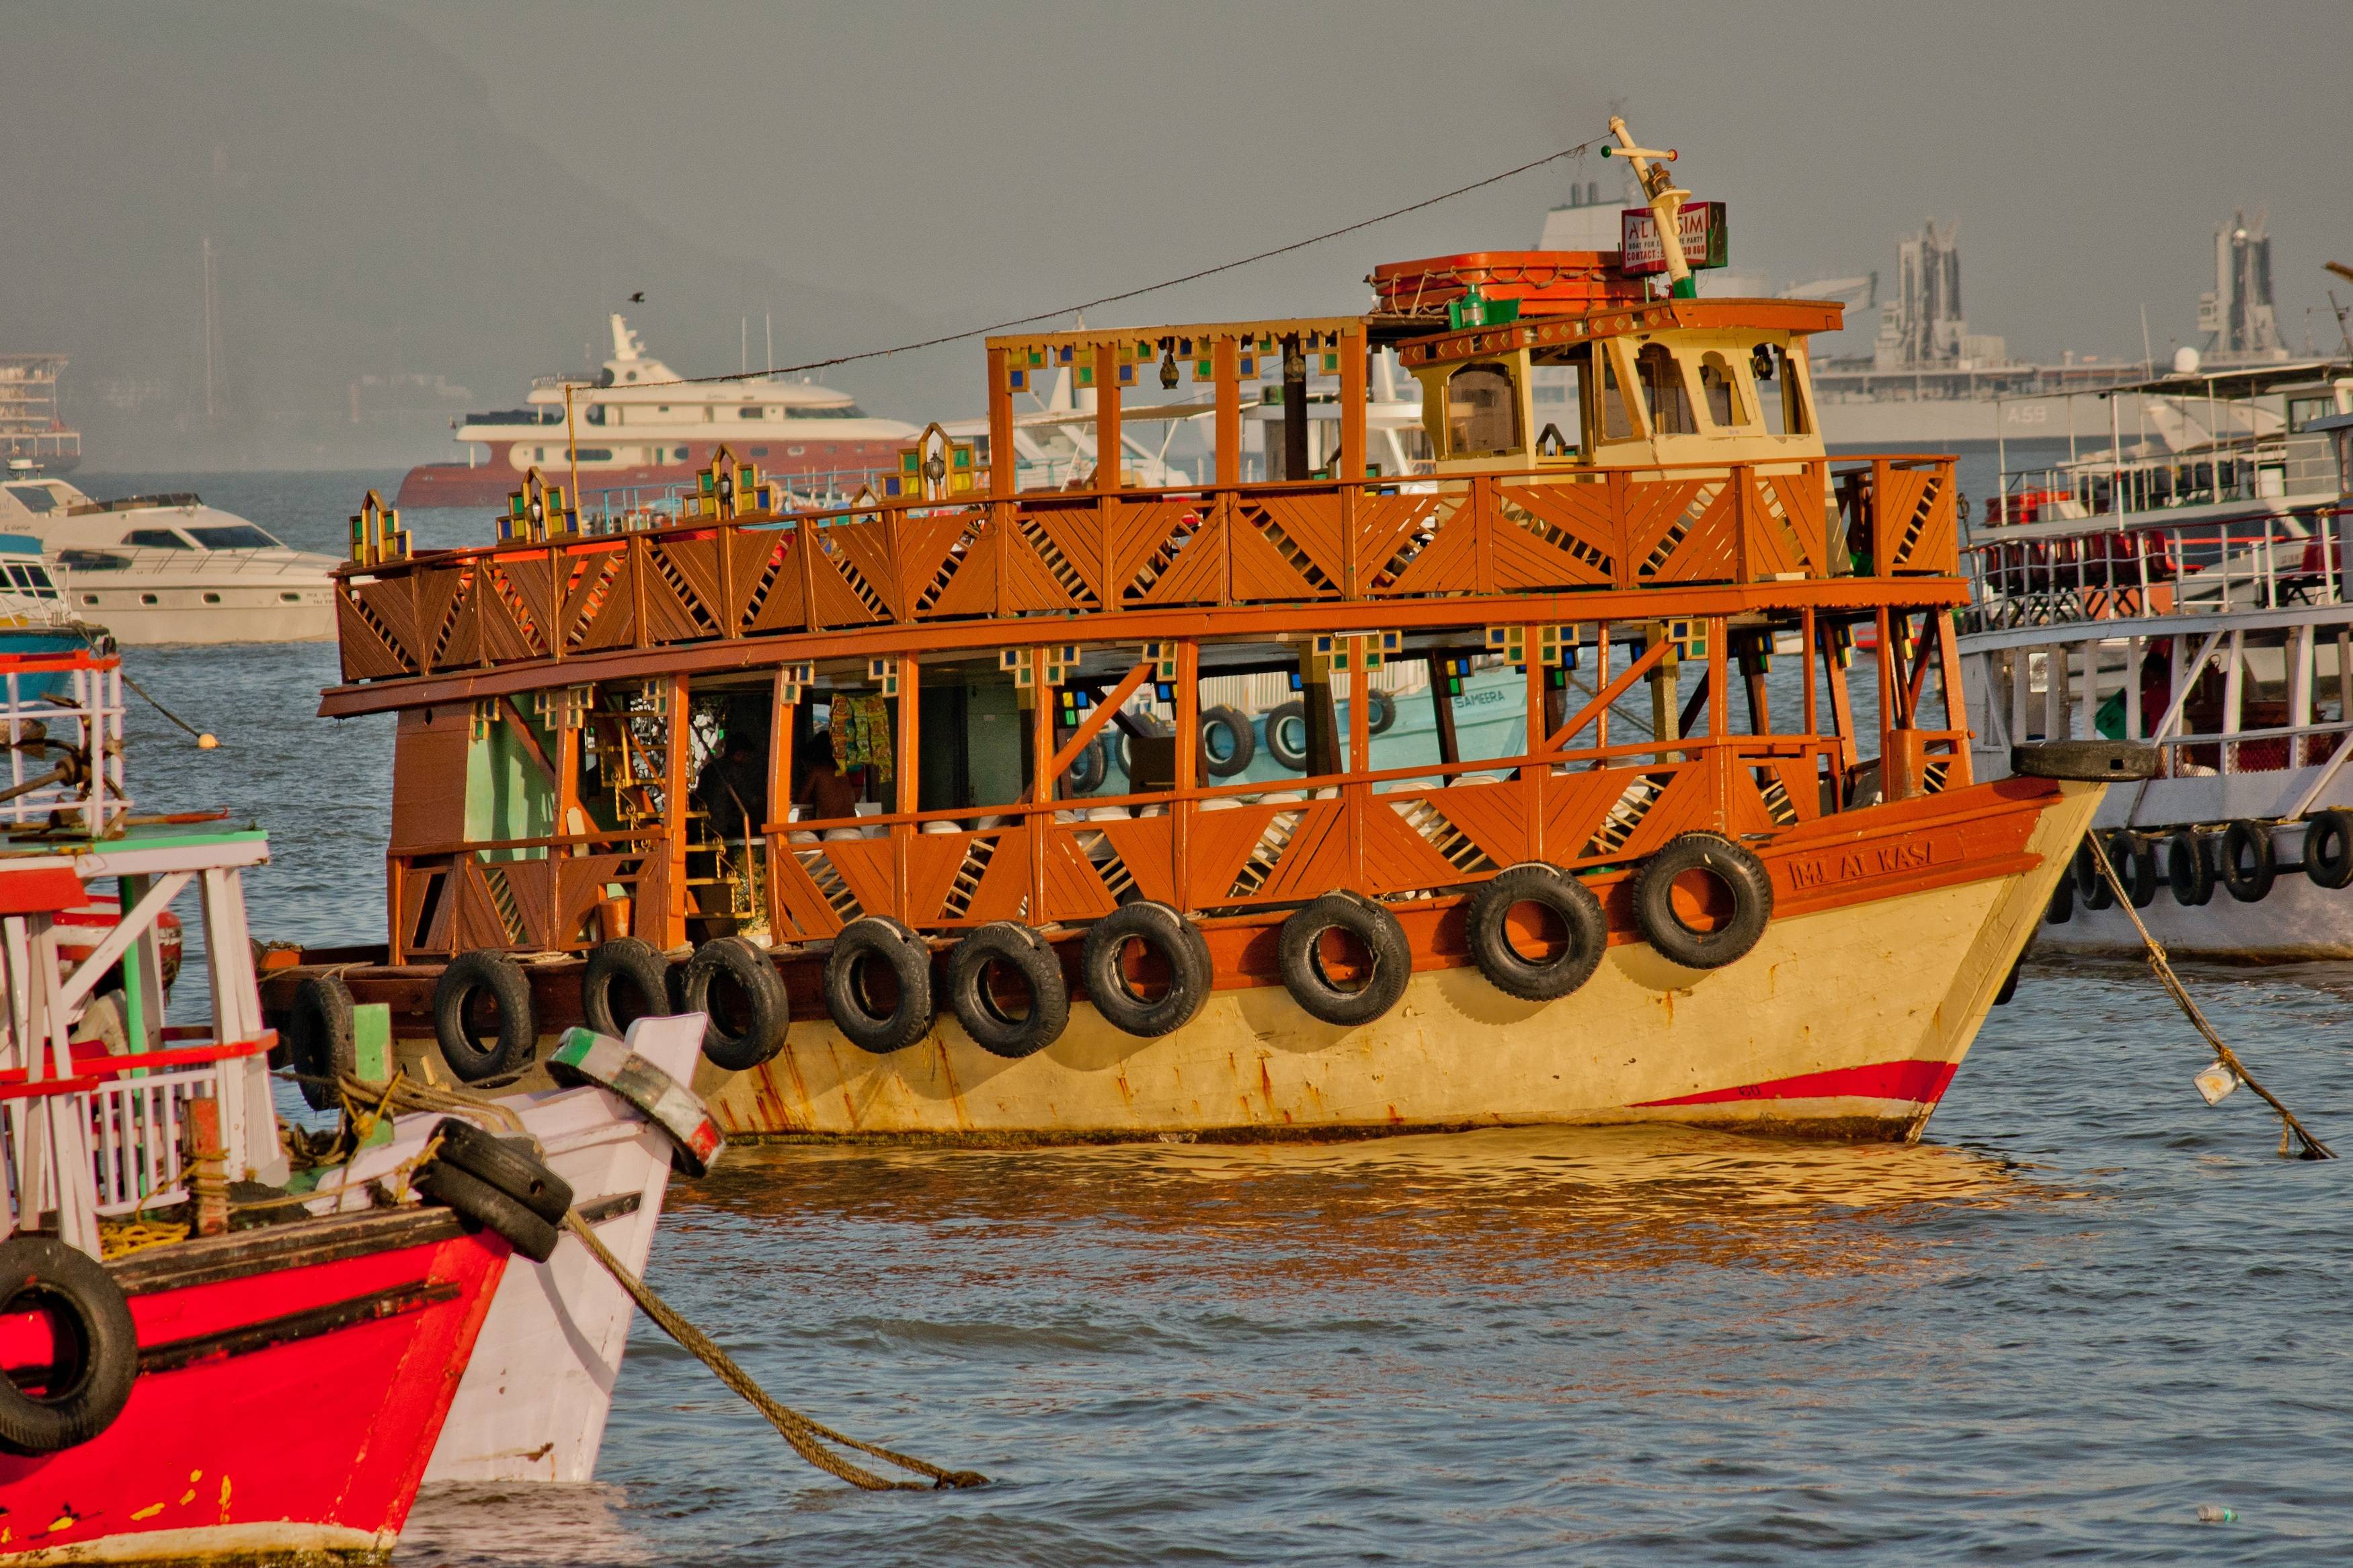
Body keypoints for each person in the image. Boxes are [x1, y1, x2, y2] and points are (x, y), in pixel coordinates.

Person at [696, 733, 766, 843]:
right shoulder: (734, 770)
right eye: (748, 756)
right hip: (724, 829)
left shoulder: (708, 768)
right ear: (739, 754)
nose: (749, 760)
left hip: (702, 827)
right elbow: (750, 799)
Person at [797, 732, 865, 822]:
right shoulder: (842, 772)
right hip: (855, 829)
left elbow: (802, 800)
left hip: (834, 829)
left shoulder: (817, 772)